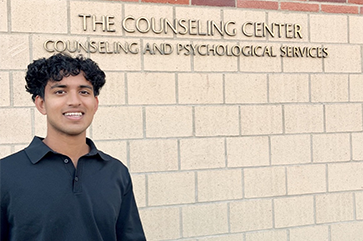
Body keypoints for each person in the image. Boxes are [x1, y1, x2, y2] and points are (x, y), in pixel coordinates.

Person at [0, 53, 146, 241]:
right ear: (41, 104)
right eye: (60, 91)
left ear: (95, 104)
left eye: (84, 92)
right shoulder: (5, 174)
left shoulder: (116, 172)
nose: (74, 101)